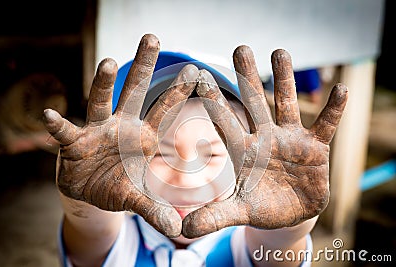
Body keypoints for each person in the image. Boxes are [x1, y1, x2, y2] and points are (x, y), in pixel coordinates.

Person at [43, 33, 348, 267]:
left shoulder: (246, 245)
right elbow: (89, 226)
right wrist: (83, 201)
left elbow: (281, 243)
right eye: (160, 154)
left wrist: (292, 218)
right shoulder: (118, 243)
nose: (186, 179)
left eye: (211, 154)